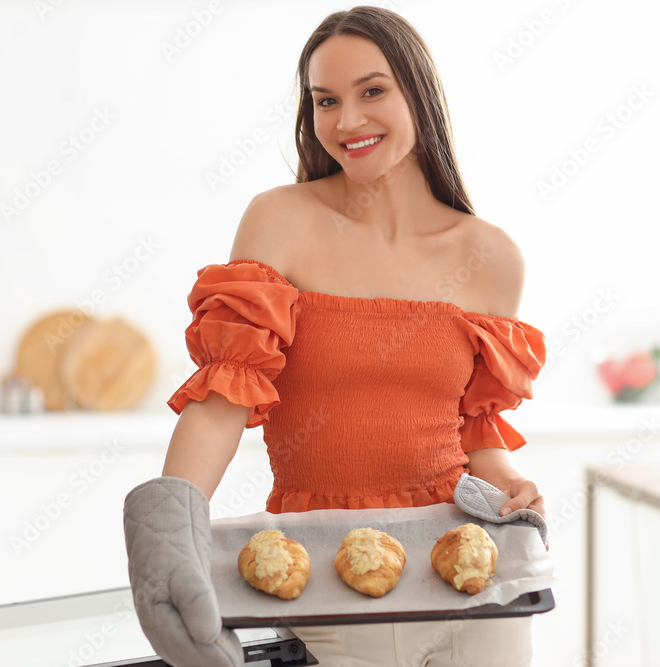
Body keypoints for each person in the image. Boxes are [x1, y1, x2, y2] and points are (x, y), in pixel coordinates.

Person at [123, 6, 547, 666]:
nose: (346, 122)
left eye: (372, 91)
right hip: (325, 586)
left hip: (471, 592)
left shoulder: (491, 257)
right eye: (326, 100)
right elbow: (223, 399)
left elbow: (474, 427)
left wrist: (511, 481)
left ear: (419, 94)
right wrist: (166, 526)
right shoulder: (280, 221)